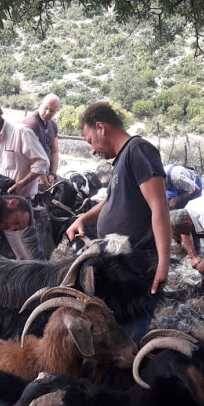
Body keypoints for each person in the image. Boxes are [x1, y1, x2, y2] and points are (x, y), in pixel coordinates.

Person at [65, 101, 170, 295]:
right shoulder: (122, 158)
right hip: (119, 260)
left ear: (100, 127)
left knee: (131, 321)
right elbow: (112, 200)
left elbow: (159, 207)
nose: (93, 150)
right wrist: (83, 218)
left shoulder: (138, 150)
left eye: (90, 141)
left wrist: (164, 263)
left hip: (137, 260)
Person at [0, 96, 50, 260]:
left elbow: (42, 162)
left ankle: (43, 283)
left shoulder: (20, 132)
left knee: (30, 255)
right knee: (6, 254)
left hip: (18, 207)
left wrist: (22, 183)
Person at [23, 94, 61, 184]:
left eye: (52, 111)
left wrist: (52, 174)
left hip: (45, 172)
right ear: (40, 103)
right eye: (46, 108)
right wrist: (42, 176)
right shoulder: (31, 123)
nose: (48, 112)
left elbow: (54, 151)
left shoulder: (53, 125)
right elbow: (32, 155)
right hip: (30, 175)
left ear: (57, 111)